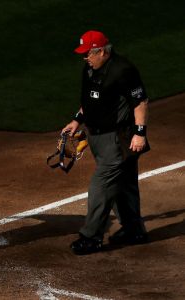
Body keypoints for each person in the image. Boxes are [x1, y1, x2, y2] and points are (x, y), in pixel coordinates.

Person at [62, 30, 150, 255]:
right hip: (98, 137)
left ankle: (91, 237)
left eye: (88, 54)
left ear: (102, 51)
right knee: (124, 183)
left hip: (118, 139)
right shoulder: (90, 69)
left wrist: (140, 133)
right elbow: (90, 101)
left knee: (100, 186)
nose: (85, 58)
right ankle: (134, 230)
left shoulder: (123, 70)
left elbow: (140, 102)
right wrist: (77, 121)